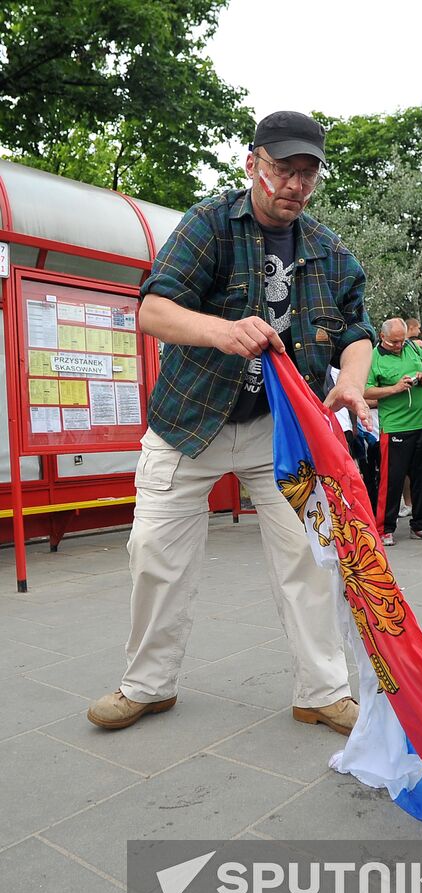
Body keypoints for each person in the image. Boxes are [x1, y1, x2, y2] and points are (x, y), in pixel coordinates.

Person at [87, 110, 375, 736]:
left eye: (308, 173)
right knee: (155, 553)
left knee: (308, 556)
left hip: (281, 430)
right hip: (187, 422)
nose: (295, 185)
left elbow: (358, 331)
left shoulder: (329, 251)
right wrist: (225, 332)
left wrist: (351, 379)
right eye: (282, 169)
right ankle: (147, 684)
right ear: (252, 165)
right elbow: (154, 311)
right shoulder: (210, 223)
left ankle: (323, 691)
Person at [365, 317, 422, 545]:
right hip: (395, 426)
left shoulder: (412, 348)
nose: (399, 345)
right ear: (382, 336)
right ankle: (384, 528)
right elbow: (366, 391)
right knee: (392, 480)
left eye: (402, 340)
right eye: (394, 342)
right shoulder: (373, 357)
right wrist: (394, 388)